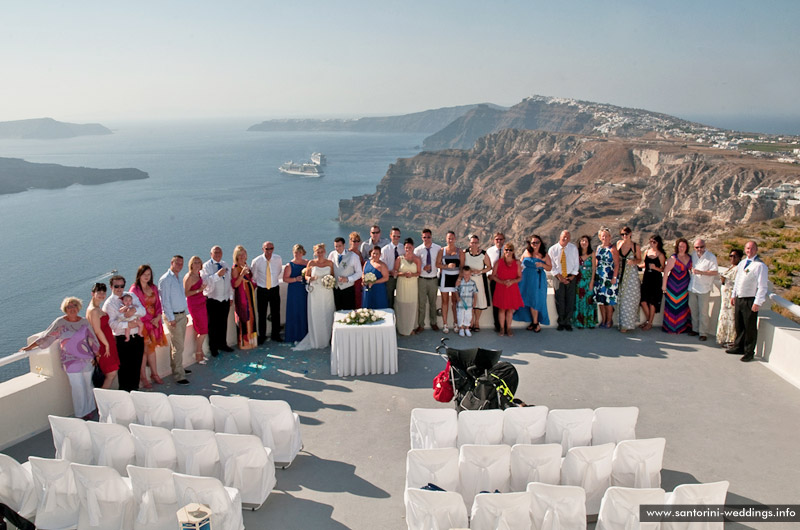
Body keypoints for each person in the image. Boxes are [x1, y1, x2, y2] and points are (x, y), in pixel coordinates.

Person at [20, 297, 99, 419]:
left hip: (87, 359)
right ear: (65, 309)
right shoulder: (60, 323)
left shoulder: (84, 322)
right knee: (77, 387)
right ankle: (81, 413)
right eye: (69, 307)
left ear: (78, 307)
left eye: (74, 306)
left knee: (88, 385)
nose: (72, 309)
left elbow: (92, 338)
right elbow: (46, 336)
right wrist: (29, 347)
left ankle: (91, 409)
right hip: (70, 361)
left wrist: (96, 354)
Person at [727, 241, 769, 362]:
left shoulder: (760, 266)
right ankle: (738, 347)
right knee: (739, 324)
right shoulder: (742, 263)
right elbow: (738, 280)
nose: (749, 250)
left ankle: (749, 352)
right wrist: (734, 295)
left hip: (750, 299)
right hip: (740, 297)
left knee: (749, 326)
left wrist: (758, 302)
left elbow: (762, 286)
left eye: (751, 248)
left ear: (756, 250)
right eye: (747, 248)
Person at [103, 275, 145, 391]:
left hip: (137, 337)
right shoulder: (109, 304)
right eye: (116, 286)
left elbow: (143, 311)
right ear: (111, 287)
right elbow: (112, 324)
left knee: (136, 367)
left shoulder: (131, 296)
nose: (119, 288)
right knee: (125, 370)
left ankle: (135, 393)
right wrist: (128, 325)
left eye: (122, 286)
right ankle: (126, 396)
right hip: (122, 340)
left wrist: (134, 310)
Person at [130, 264, 167, 388]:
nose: (146, 277)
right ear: (139, 275)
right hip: (142, 325)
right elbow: (135, 309)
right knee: (145, 352)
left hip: (153, 323)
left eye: (149, 274)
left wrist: (157, 317)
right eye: (144, 274)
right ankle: (145, 377)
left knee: (151, 351)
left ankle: (153, 374)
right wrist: (151, 319)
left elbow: (158, 304)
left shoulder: (153, 287)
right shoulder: (134, 290)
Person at [294, 243, 336, 350]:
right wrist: (309, 279)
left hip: (327, 291)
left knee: (327, 313)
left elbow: (332, 276)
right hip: (315, 291)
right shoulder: (311, 263)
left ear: (325, 252)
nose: (320, 254)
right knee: (316, 313)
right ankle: (317, 339)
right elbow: (306, 276)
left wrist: (329, 281)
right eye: (318, 252)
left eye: (322, 252)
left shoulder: (330, 263)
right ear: (315, 253)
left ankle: (328, 339)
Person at [158, 255, 189, 385]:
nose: (179, 266)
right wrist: (171, 319)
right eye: (177, 263)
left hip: (181, 315)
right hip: (174, 317)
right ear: (172, 263)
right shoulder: (165, 279)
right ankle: (179, 375)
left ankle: (178, 367)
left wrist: (185, 313)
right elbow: (164, 301)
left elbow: (181, 296)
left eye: (181, 264)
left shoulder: (178, 278)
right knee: (179, 346)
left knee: (177, 344)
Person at [514, 235, 551, 331]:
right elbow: (520, 264)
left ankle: (536, 323)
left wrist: (542, 265)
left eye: (537, 242)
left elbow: (549, 267)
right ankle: (533, 322)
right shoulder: (526, 252)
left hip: (537, 280)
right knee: (527, 299)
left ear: (540, 243)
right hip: (525, 279)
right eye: (533, 242)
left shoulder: (544, 255)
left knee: (535, 300)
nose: (535, 244)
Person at [86, 283, 120, 389]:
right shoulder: (93, 311)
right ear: (92, 293)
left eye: (103, 292)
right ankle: (101, 401)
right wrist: (106, 345)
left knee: (109, 373)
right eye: (99, 292)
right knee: (111, 373)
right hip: (103, 344)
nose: (102, 294)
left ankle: (104, 399)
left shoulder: (97, 308)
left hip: (107, 341)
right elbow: (97, 330)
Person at [202, 246, 234, 357]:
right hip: (213, 300)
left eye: (219, 252)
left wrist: (230, 296)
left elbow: (229, 281)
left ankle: (223, 344)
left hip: (225, 299)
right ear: (211, 254)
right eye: (215, 252)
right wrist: (217, 275)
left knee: (223, 323)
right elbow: (205, 282)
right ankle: (213, 348)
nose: (217, 254)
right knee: (213, 325)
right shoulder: (206, 266)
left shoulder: (225, 264)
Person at [250, 241, 282, 344]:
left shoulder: (278, 259)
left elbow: (279, 271)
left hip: (274, 288)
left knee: (276, 313)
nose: (269, 251)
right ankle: (262, 336)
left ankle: (275, 335)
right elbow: (254, 276)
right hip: (262, 289)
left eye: (271, 248)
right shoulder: (257, 261)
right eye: (267, 249)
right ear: (263, 249)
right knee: (262, 314)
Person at [687, 238, 718, 341]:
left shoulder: (711, 257)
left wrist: (701, 272)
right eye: (697, 247)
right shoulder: (693, 255)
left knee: (703, 312)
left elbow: (714, 272)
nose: (699, 249)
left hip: (704, 288)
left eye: (701, 247)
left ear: (705, 246)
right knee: (693, 310)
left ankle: (703, 332)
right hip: (692, 287)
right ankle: (695, 329)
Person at [548, 230, 580, 331]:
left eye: (568, 236)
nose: (566, 238)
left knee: (570, 300)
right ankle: (561, 322)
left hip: (571, 277)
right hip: (558, 277)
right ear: (560, 237)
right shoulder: (553, 249)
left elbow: (576, 263)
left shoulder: (573, 248)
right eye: (564, 236)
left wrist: (572, 276)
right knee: (560, 300)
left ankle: (567, 322)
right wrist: (560, 277)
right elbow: (551, 265)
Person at [661, 238, 693, 334]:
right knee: (671, 306)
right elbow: (666, 272)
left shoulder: (690, 258)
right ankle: (671, 327)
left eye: (683, 246)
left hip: (685, 286)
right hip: (672, 286)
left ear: (686, 247)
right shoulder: (673, 258)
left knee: (683, 307)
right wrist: (664, 286)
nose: (681, 248)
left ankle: (681, 327)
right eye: (679, 246)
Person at [492, 242, 524, 337]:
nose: (508, 252)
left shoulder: (517, 263)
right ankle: (502, 328)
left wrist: (512, 281)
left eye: (510, 250)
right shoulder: (498, 262)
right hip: (501, 288)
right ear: (504, 251)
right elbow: (493, 276)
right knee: (501, 309)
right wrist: (502, 282)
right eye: (506, 250)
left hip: (512, 288)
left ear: (513, 251)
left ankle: (508, 328)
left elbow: (519, 277)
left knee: (510, 310)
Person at [413, 228, 441, 333]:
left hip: (433, 279)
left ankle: (433, 323)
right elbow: (415, 266)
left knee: (433, 303)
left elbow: (441, 262)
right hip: (422, 280)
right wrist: (422, 268)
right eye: (424, 237)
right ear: (422, 237)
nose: (426, 239)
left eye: (428, 237)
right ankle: (421, 325)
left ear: (431, 237)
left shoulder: (438, 249)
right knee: (422, 303)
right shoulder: (418, 250)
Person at [436, 231, 464, 333]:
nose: (450, 240)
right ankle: (445, 324)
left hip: (456, 279)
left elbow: (462, 267)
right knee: (445, 302)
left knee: (455, 302)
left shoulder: (460, 251)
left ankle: (456, 323)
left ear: (455, 239)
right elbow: (437, 264)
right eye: (449, 238)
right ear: (446, 239)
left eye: (452, 238)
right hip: (445, 278)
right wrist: (446, 266)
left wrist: (459, 278)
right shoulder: (442, 251)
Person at [463, 234, 492, 332]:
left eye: (476, 243)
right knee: (470, 302)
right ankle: (470, 322)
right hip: (468, 281)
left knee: (479, 302)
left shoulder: (484, 254)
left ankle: (477, 322)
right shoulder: (465, 253)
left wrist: (479, 271)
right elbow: (462, 266)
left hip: (479, 280)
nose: (474, 244)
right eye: (472, 243)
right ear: (469, 243)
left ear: (478, 243)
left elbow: (489, 267)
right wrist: (469, 270)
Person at [616, 226, 642, 333]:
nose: (624, 236)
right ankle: (621, 323)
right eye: (622, 234)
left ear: (630, 234)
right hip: (621, 274)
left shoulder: (635, 246)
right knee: (621, 299)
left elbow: (640, 259)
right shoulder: (618, 244)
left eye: (626, 234)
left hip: (631, 275)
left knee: (630, 299)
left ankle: (628, 324)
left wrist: (633, 262)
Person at [232, 245, 258, 350]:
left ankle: (252, 341)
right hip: (242, 296)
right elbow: (235, 284)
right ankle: (244, 343)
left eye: (244, 254)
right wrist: (242, 274)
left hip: (250, 295)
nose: (242, 256)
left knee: (251, 316)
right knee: (244, 316)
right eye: (240, 255)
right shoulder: (235, 268)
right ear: (236, 256)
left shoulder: (246, 265)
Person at [184, 256, 209, 365]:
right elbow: (186, 293)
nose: (197, 264)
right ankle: (198, 353)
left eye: (199, 262)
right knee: (203, 330)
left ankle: (201, 352)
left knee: (198, 328)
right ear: (191, 264)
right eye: (195, 262)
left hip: (201, 302)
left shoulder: (198, 274)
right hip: (194, 305)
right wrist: (199, 290)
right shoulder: (189, 277)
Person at [394, 237, 421, 336]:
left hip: (412, 285)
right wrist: (404, 274)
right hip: (402, 284)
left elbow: (419, 272)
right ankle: (401, 329)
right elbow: (395, 272)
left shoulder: (417, 259)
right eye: (406, 247)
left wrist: (412, 275)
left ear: (413, 247)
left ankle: (410, 328)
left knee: (411, 306)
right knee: (401, 306)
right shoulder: (399, 259)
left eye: (409, 247)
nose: (408, 249)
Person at [594, 228, 620, 329]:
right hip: (599, 278)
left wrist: (614, 277)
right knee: (601, 301)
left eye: (606, 236)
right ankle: (603, 320)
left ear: (610, 237)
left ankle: (609, 320)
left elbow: (617, 265)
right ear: (600, 237)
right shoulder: (599, 248)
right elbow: (596, 262)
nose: (604, 238)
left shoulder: (613, 249)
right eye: (602, 236)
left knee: (609, 301)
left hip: (609, 278)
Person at [717, 249, 743, 347]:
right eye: (731, 256)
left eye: (735, 256)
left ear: (740, 258)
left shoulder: (738, 269)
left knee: (732, 319)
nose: (732, 258)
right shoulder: (732, 267)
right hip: (725, 298)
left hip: (731, 298)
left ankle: (731, 340)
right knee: (725, 318)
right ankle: (724, 338)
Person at [639, 235, 666, 331]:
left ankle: (649, 323)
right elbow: (644, 264)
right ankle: (648, 321)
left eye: (654, 242)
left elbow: (663, 268)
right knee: (643, 301)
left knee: (652, 302)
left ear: (658, 243)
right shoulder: (646, 252)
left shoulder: (660, 255)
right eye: (650, 241)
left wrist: (655, 268)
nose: (652, 244)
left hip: (656, 280)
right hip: (646, 278)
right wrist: (636, 266)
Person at [283, 244, 309, 343]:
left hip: (304, 290)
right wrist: (295, 279)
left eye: (299, 252)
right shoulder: (289, 265)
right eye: (295, 252)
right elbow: (285, 279)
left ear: (302, 253)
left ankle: (305, 334)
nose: (297, 254)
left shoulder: (307, 263)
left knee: (304, 310)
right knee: (294, 311)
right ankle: (294, 335)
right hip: (294, 291)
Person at [329, 237, 362, 311]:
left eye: (339, 246)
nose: (337, 248)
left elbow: (359, 273)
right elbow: (329, 268)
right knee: (337, 311)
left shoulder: (353, 256)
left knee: (349, 312)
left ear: (344, 245)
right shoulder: (332, 254)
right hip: (336, 289)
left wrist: (348, 279)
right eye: (336, 246)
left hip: (348, 289)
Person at [573, 235, 598, 329]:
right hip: (579, 281)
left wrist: (592, 281)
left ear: (589, 243)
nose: (584, 243)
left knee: (589, 300)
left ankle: (590, 321)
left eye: (586, 241)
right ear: (579, 242)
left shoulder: (592, 253)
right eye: (582, 241)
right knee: (579, 301)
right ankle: (579, 322)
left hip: (588, 280)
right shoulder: (577, 254)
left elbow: (593, 268)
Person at [486, 232, 506, 333]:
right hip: (494, 281)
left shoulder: (507, 251)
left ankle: (505, 325)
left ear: (504, 240)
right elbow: (487, 265)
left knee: (506, 303)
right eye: (497, 239)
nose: (499, 241)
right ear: (494, 240)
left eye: (501, 239)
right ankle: (497, 325)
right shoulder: (489, 251)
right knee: (496, 304)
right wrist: (489, 275)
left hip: (505, 282)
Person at [381, 227, 402, 308]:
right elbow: (382, 266)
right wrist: (390, 272)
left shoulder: (403, 248)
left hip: (400, 277)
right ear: (390, 236)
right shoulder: (385, 250)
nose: (396, 238)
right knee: (389, 299)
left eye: (398, 236)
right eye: (394, 236)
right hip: (389, 278)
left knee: (401, 299)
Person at [455, 267, 478, 337]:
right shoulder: (459, 282)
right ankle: (461, 328)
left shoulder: (473, 283)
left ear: (470, 274)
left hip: (469, 304)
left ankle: (467, 328)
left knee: (468, 316)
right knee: (460, 316)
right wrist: (457, 298)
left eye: (468, 274)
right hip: (461, 304)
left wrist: (474, 302)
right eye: (465, 274)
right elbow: (456, 290)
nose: (466, 275)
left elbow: (475, 293)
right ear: (462, 274)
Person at [348, 232, 366, 308]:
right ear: (350, 241)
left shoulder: (360, 253)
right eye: (354, 241)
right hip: (354, 279)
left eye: (358, 241)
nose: (356, 243)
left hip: (361, 279)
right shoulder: (348, 253)